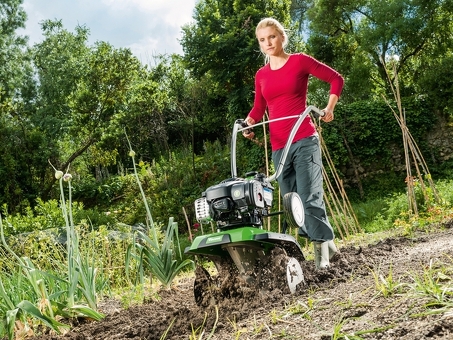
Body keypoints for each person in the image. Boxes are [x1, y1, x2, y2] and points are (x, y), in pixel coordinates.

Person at [243, 17, 344, 269]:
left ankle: (322, 260)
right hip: (279, 147)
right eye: (262, 40)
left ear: (282, 37)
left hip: (304, 139)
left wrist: (328, 108)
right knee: (292, 203)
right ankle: (330, 248)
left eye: (272, 37)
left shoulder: (300, 61)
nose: (268, 43)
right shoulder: (261, 75)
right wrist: (248, 123)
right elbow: (259, 107)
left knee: (309, 197)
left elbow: (336, 79)